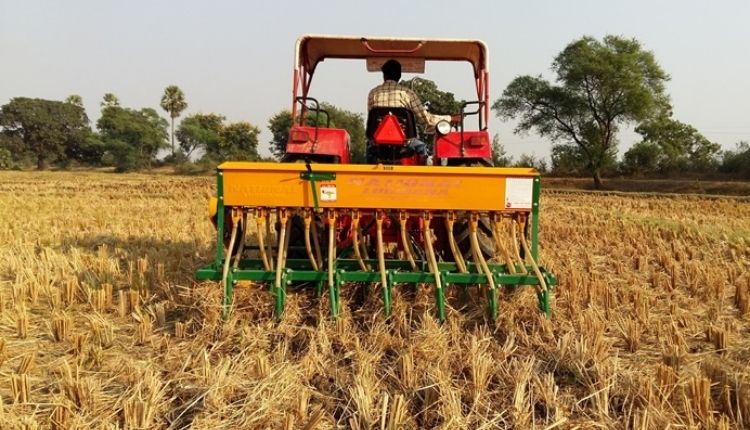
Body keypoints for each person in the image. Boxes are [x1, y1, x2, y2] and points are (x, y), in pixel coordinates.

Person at [367, 59, 460, 163]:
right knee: (422, 148)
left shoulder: (373, 93)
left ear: (384, 75)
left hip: (378, 144)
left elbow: (372, 121)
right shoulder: (407, 93)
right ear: (399, 76)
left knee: (369, 148)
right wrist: (450, 118)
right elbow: (427, 118)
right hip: (405, 143)